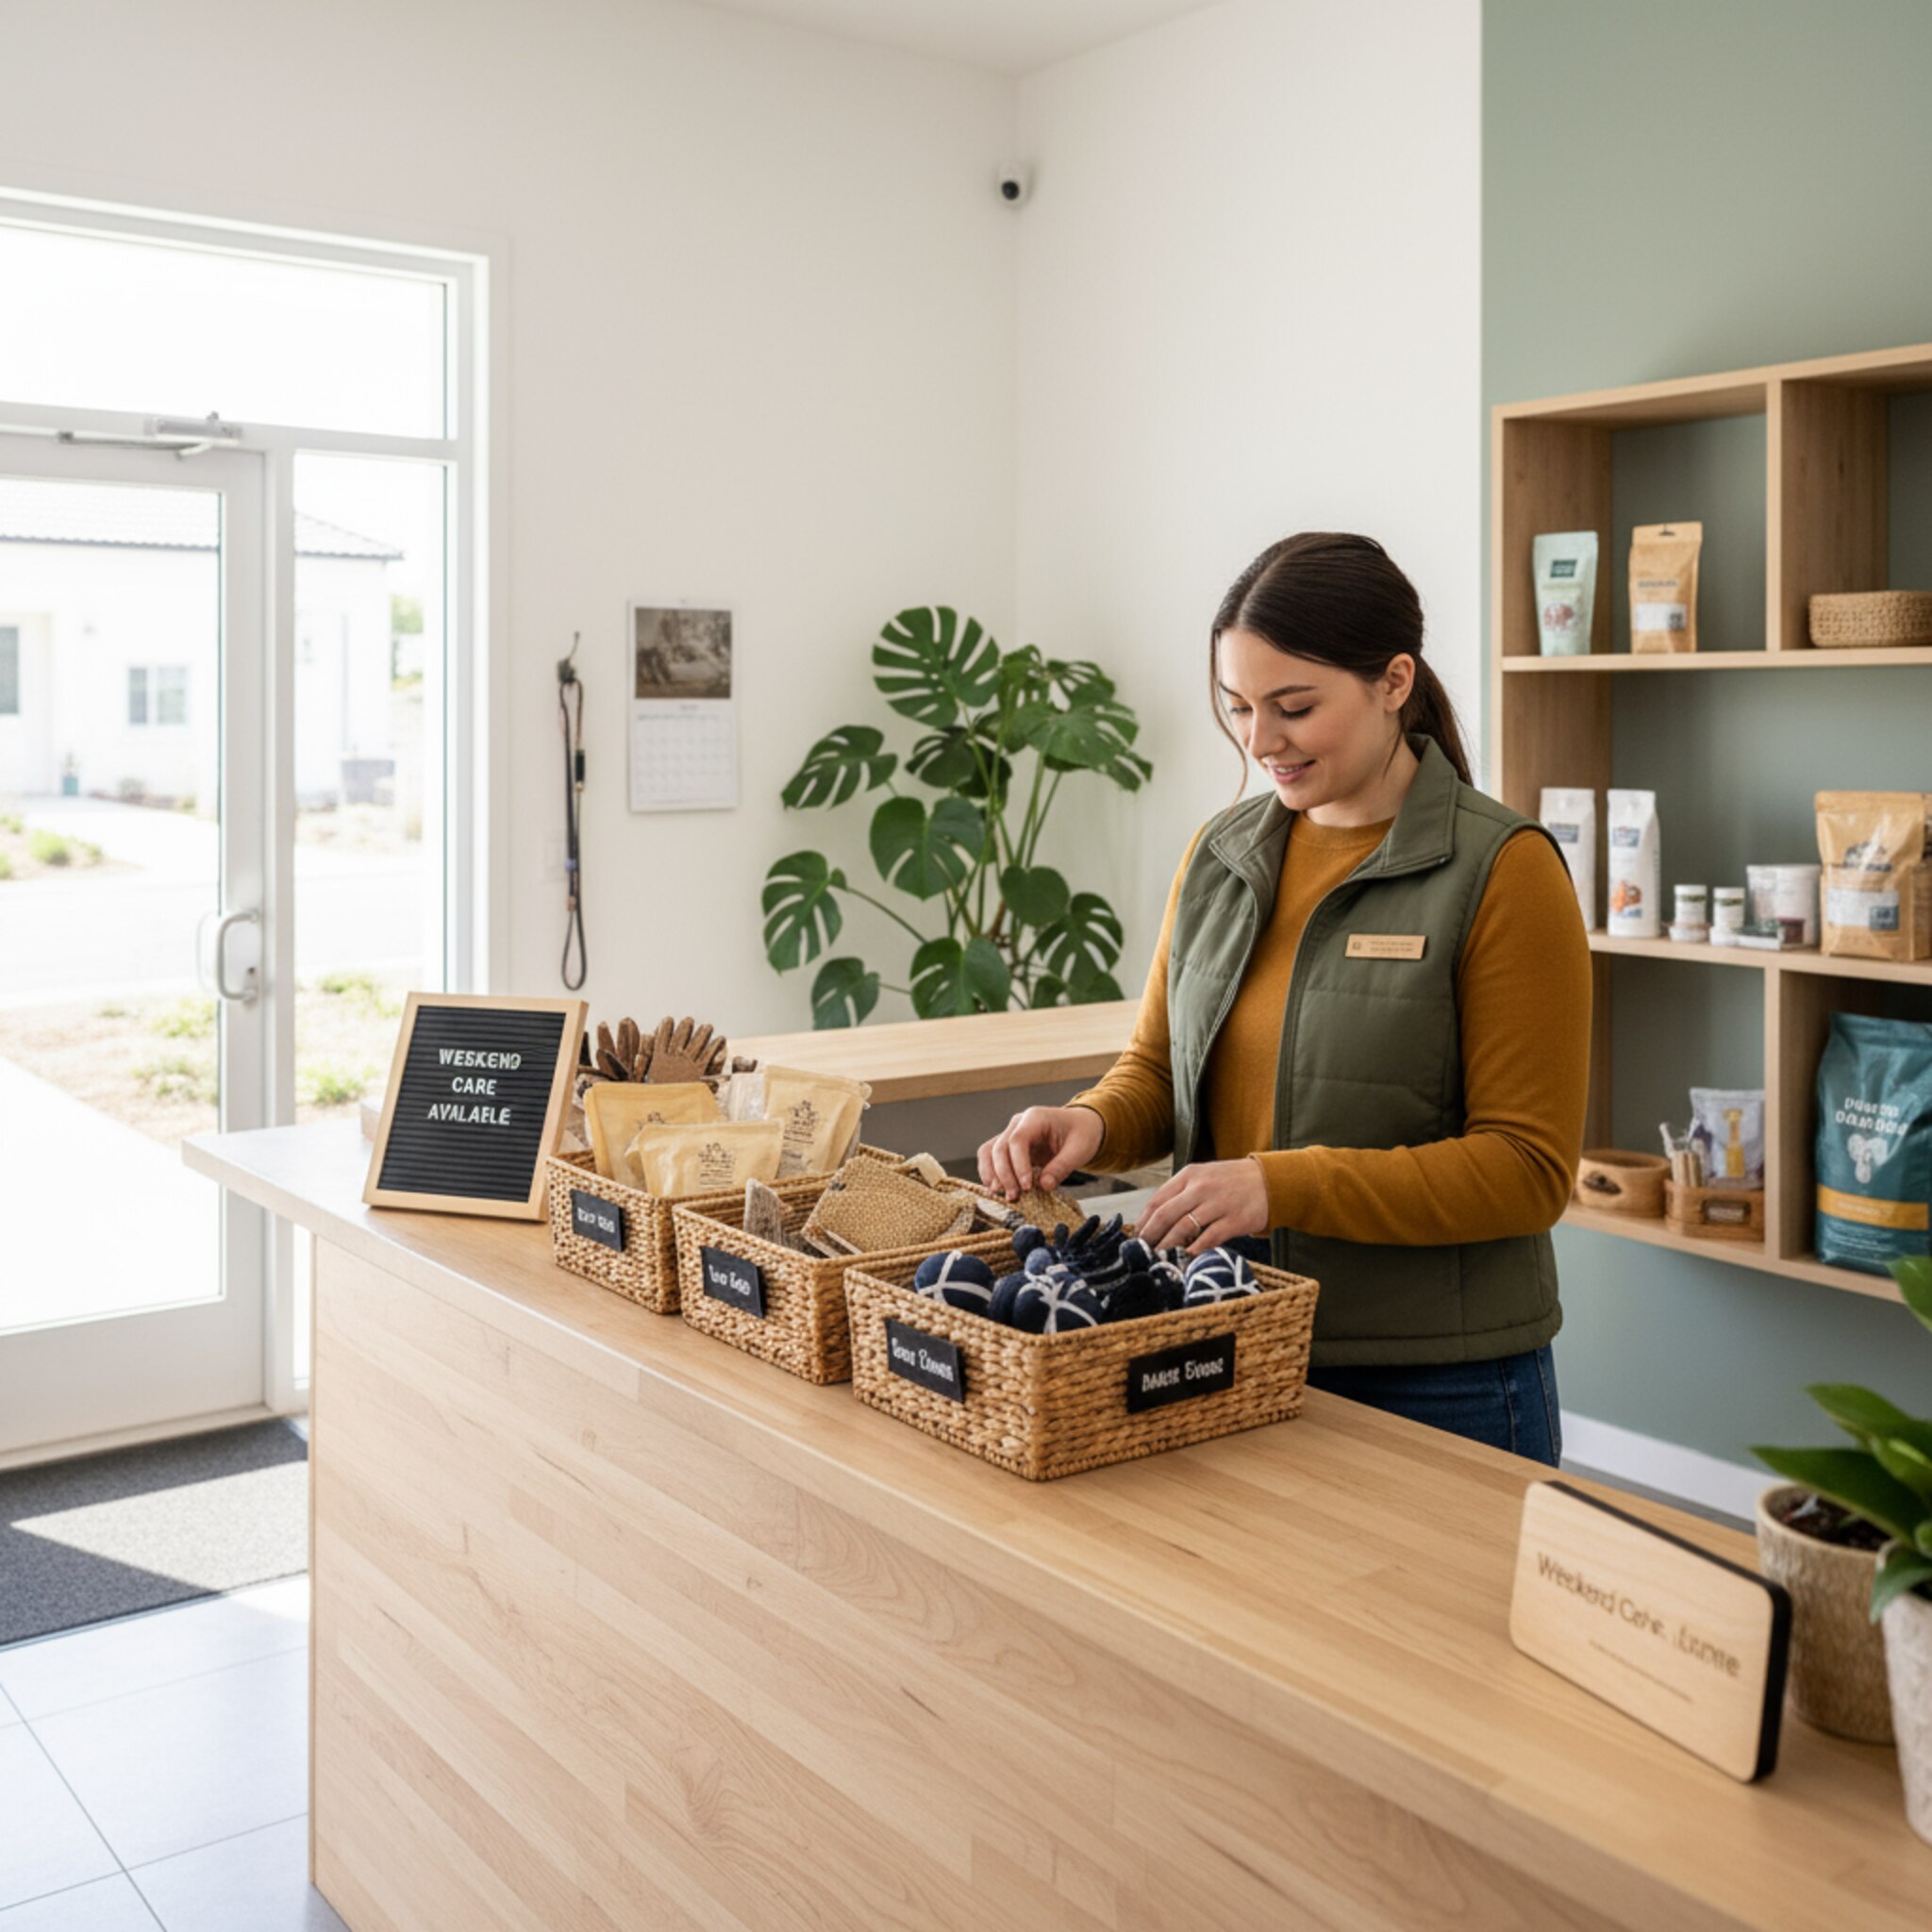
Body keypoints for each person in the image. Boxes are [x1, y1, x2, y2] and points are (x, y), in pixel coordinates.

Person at [976, 531, 1591, 1464]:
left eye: (1293, 707)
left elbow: (1525, 1168)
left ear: (1392, 681)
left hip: (1436, 1378)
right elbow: (1158, 1069)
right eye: (1237, 707)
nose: (1260, 741)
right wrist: (1090, 1123)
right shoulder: (1219, 854)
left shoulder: (1502, 871)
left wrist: (1280, 1184)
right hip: (1224, 1336)